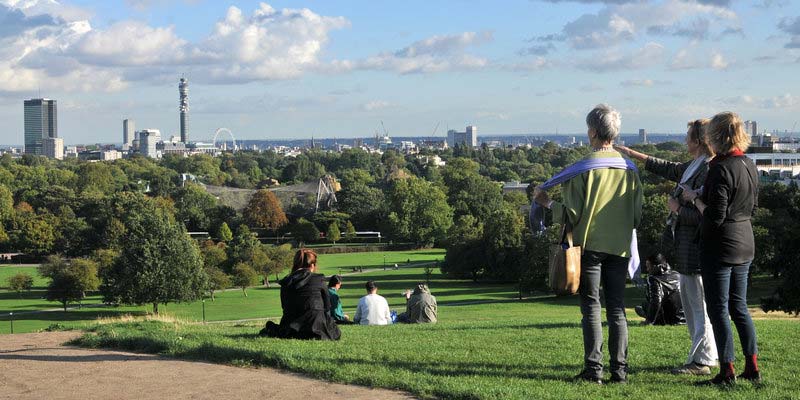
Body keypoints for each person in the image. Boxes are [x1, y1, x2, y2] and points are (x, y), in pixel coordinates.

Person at [532, 104, 643, 384]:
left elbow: (571, 214)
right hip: (619, 247)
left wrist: (547, 204)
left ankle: (594, 370)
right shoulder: (629, 169)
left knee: (591, 308)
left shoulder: (584, 169)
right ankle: (620, 371)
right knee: (617, 308)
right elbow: (638, 214)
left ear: (592, 132)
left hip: (589, 247)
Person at [616, 119, 718, 375]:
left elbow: (707, 214)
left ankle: (703, 361)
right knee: (694, 304)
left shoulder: (707, 168)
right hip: (686, 248)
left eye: (688, 136)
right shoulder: (696, 165)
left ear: (699, 140)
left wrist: (678, 209)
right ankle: (704, 357)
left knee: (698, 305)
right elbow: (666, 167)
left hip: (695, 248)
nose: (685, 140)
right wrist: (630, 152)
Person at [681, 112, 761, 385]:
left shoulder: (719, 168)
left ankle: (727, 371)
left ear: (716, 136)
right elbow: (753, 206)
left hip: (719, 245)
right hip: (745, 241)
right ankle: (752, 366)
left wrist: (694, 199)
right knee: (740, 307)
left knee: (718, 309)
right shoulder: (749, 164)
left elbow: (714, 216)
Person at [260, 249, 341, 340]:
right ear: (312, 265)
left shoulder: (286, 282)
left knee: (272, 327)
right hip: (317, 329)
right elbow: (327, 306)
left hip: (292, 328)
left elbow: (285, 307)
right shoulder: (319, 280)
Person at [635, 253, 686, 326]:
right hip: (684, 318)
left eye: (649, 266)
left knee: (644, 305)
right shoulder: (677, 275)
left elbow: (656, 301)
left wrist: (649, 321)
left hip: (669, 319)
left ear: (656, 267)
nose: (647, 269)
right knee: (643, 305)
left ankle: (649, 316)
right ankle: (647, 313)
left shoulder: (654, 279)